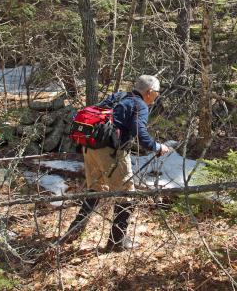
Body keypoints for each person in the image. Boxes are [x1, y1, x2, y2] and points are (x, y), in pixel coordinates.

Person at [65, 75, 171, 251]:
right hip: (111, 153)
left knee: (96, 189)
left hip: (90, 148)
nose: (157, 97)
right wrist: (157, 147)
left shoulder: (119, 96)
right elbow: (141, 133)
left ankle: (74, 231)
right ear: (149, 92)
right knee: (126, 195)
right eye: (157, 93)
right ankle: (117, 242)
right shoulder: (140, 106)